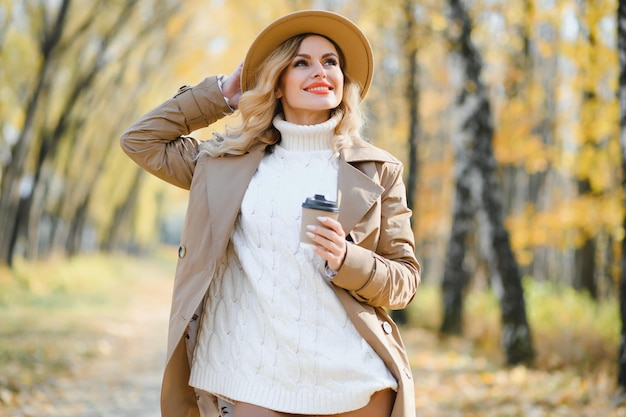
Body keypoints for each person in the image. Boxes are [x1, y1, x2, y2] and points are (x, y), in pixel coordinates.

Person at [120, 9, 420, 417]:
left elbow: (405, 281)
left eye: (330, 61)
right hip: (255, 378)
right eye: (301, 62)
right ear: (277, 83)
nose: (321, 71)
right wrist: (222, 94)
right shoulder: (224, 164)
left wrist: (349, 260)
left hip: (356, 383)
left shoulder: (378, 171)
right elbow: (141, 140)